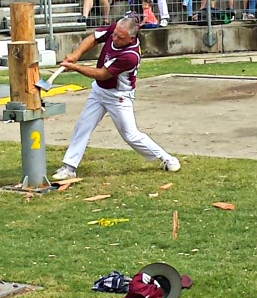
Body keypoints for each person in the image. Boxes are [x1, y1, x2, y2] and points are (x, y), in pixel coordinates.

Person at [52, 16, 181, 180]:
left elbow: (102, 74)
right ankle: (69, 167)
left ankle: (166, 158)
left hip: (118, 97)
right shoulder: (117, 29)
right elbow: (94, 37)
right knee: (83, 125)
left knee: (131, 135)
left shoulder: (130, 56)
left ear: (132, 38)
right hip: (99, 91)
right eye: (114, 35)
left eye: (120, 38)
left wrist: (75, 67)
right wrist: (76, 54)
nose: (115, 38)